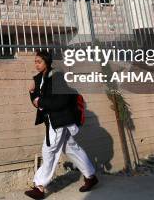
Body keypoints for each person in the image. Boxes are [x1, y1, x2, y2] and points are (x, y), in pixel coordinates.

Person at [24, 50, 98, 199]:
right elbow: (36, 103)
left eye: (39, 61)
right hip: (54, 120)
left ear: (47, 62)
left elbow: (61, 100)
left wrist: (40, 101)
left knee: (49, 150)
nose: (36, 64)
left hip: (59, 120)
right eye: (35, 61)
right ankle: (91, 176)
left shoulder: (57, 76)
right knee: (71, 149)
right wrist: (32, 92)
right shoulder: (40, 78)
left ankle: (39, 186)